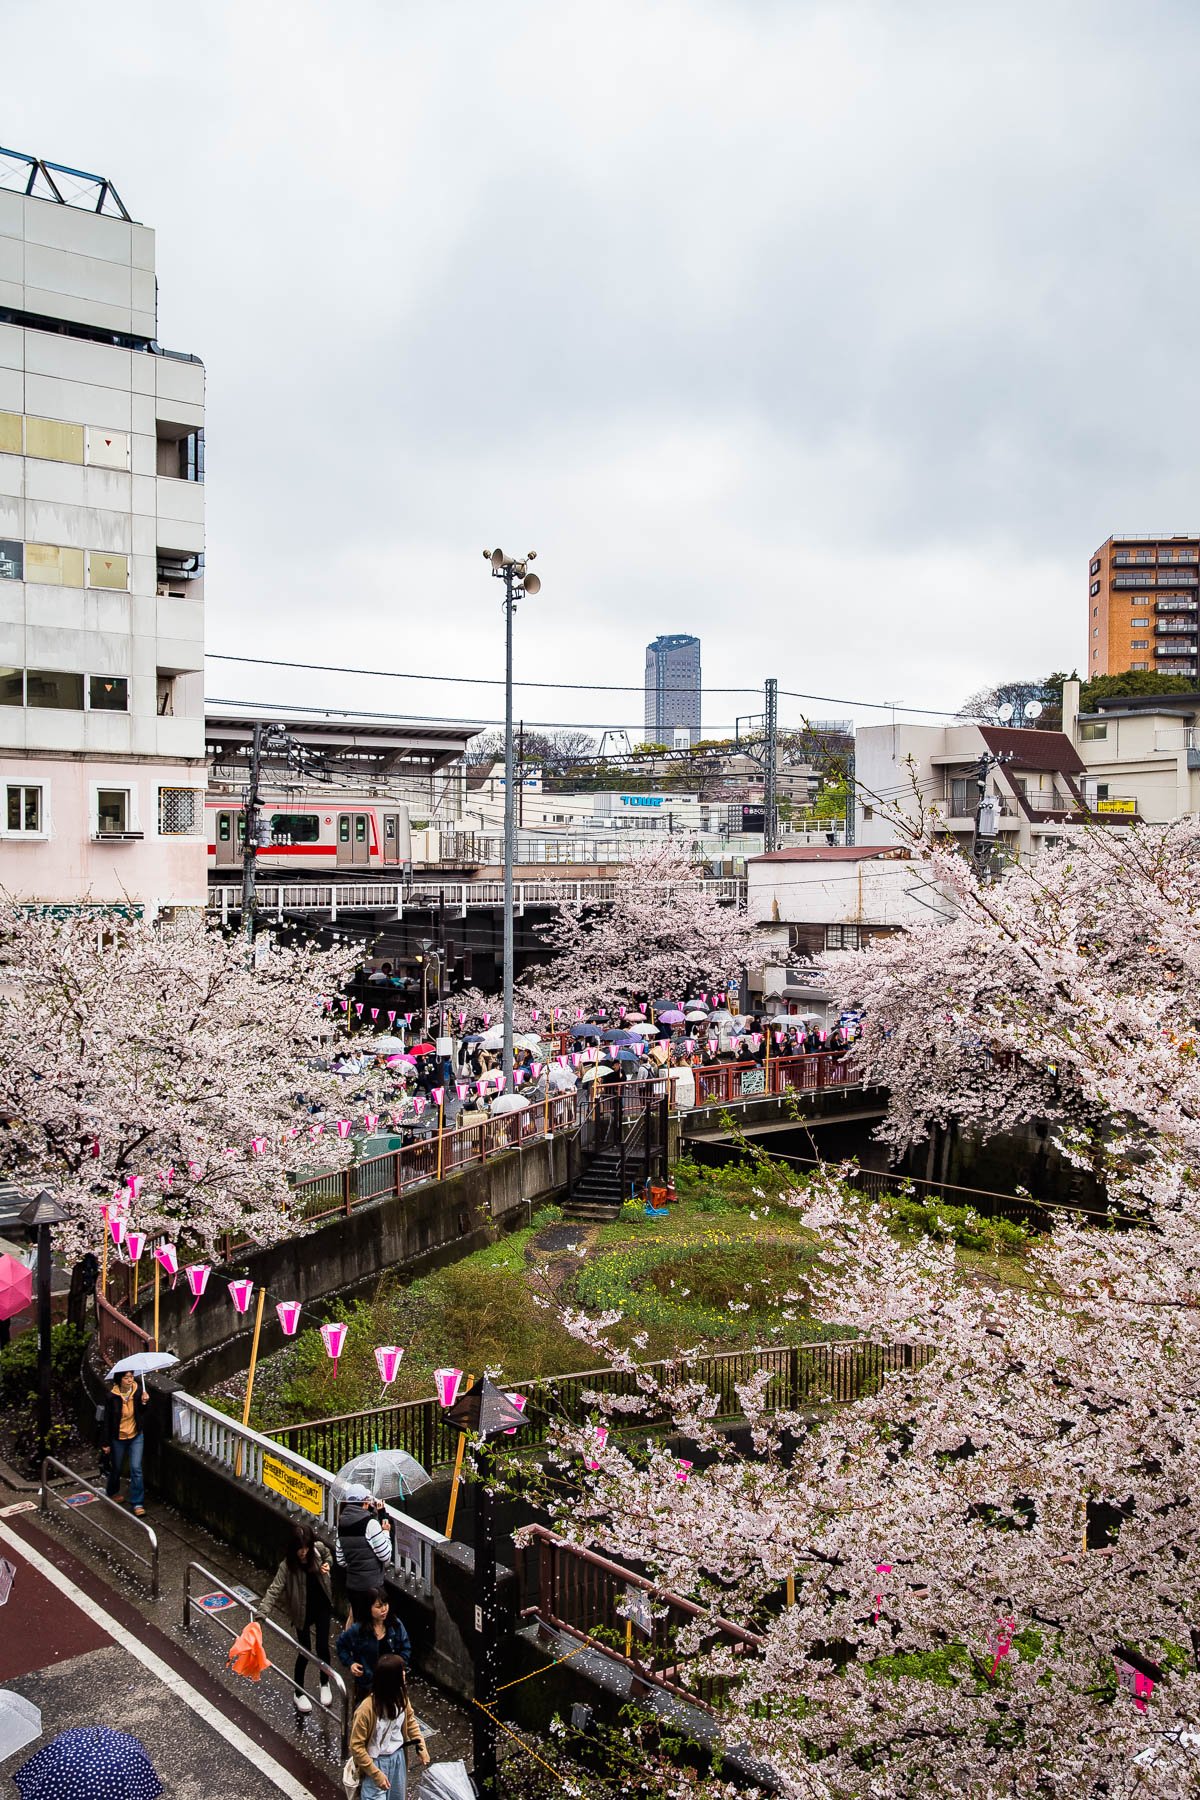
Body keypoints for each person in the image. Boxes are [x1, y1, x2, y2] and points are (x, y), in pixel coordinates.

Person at [259, 1522, 334, 1715]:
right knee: (305, 1650)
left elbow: (327, 1554)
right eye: (300, 1548)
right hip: (302, 1611)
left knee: (323, 1648)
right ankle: (298, 1692)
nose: (304, 1552)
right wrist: (260, 1617)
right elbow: (274, 1590)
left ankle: (324, 1682)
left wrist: (327, 1564)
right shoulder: (287, 1566)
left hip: (322, 1604)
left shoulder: (316, 1551)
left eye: (306, 1547)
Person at [348, 1653, 429, 1798]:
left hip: (397, 1759)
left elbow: (410, 1721)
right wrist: (375, 1773)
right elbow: (356, 1746)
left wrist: (420, 1746)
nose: (404, 1675)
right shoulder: (366, 1710)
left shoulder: (401, 1697)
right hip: (375, 1762)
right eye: (401, 1672)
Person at [337, 1587, 413, 1699]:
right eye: (379, 1606)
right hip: (367, 1686)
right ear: (368, 1608)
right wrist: (351, 1663)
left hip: (392, 1682)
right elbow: (341, 1645)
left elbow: (405, 1647)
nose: (384, 1609)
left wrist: (399, 1667)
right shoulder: (358, 1630)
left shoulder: (395, 1624)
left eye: (385, 1604)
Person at [336, 1487, 393, 1624]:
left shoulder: (342, 1524)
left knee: (359, 1625)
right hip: (372, 1587)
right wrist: (385, 1533)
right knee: (374, 1627)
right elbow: (385, 1556)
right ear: (365, 1503)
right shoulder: (370, 1524)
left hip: (353, 1587)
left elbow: (341, 1560)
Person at [104, 1369, 149, 1515]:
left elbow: (142, 1413)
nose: (130, 1380)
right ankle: (112, 1491)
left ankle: (137, 1503)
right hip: (119, 1437)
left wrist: (143, 1403)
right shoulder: (112, 1397)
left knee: (136, 1468)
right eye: (126, 1378)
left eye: (131, 1377)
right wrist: (105, 1442)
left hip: (136, 1436)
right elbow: (108, 1421)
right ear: (119, 1380)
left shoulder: (138, 1391)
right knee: (116, 1467)